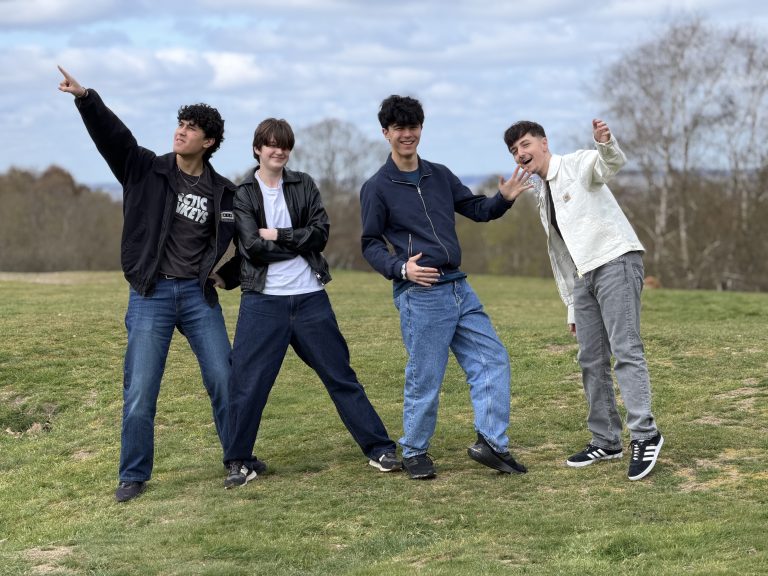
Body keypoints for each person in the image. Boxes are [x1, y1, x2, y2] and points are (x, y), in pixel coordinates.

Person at [57, 66, 263, 502]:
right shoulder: (144, 169)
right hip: (150, 293)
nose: (181, 132)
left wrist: (225, 276)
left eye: (191, 128)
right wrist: (86, 99)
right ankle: (133, 474)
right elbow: (113, 137)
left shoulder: (224, 193)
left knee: (224, 378)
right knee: (140, 388)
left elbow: (247, 246)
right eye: (180, 124)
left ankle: (238, 458)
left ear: (208, 142)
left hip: (197, 295)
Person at [360, 95, 531, 480]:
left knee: (492, 359)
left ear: (421, 128)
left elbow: (476, 209)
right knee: (426, 376)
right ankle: (415, 451)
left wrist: (502, 200)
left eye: (413, 126)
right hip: (421, 293)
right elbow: (370, 244)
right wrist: (401, 268)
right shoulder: (377, 187)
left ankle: (491, 443)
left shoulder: (439, 175)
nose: (407, 134)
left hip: (459, 288)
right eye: (399, 128)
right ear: (386, 133)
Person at [223, 118, 401, 488]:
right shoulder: (243, 193)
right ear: (257, 149)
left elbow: (320, 235)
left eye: (284, 145)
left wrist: (278, 234)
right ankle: (239, 462)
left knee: (340, 375)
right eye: (271, 144)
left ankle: (380, 449)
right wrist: (295, 243)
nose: (279, 151)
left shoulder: (303, 184)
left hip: (310, 299)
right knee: (248, 385)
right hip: (263, 302)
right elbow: (251, 247)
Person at [502, 119, 664, 481]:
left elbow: (608, 164)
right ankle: (606, 440)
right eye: (514, 150)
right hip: (583, 277)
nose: (520, 153)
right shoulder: (542, 194)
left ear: (544, 143)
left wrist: (605, 143)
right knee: (591, 358)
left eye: (525, 144)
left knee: (626, 350)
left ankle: (645, 435)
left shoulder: (576, 164)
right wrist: (573, 307)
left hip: (615, 261)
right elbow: (563, 255)